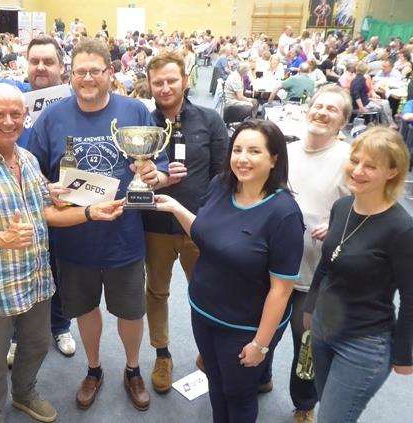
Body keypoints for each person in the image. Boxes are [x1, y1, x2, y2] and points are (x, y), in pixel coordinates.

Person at [0, 83, 124, 422]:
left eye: (16, 113)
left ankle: (25, 394)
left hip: (36, 280)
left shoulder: (27, 159)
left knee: (37, 345)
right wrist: (3, 239)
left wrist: (90, 213)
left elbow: (47, 211)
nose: (9, 121)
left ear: (25, 117)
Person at [27, 38, 170, 411]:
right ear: (71, 75)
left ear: (110, 72)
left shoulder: (135, 111)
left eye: (95, 71)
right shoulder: (52, 117)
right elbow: (31, 172)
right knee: (85, 309)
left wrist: (155, 173)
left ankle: (133, 369)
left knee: (130, 311)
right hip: (75, 239)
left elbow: (161, 163)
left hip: (124, 236)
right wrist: (49, 189)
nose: (87, 78)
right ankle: (93, 369)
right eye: (80, 72)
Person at [154, 119, 304, 423]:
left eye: (254, 151)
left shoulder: (284, 213)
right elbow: (205, 232)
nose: (242, 158)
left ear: (274, 158)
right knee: (216, 384)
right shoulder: (221, 184)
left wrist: (261, 345)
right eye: (237, 149)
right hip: (204, 312)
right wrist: (175, 208)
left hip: (244, 327)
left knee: (238, 394)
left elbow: (282, 289)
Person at [0, 34, 78, 359]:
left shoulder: (72, 101)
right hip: (5, 198)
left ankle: (59, 326)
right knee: (11, 274)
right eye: (34, 60)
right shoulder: (13, 93)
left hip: (52, 199)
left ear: (62, 67)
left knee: (52, 270)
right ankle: (16, 337)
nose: (40, 67)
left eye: (48, 61)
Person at [303, 127, 413, 422]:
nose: (357, 171)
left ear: (391, 172)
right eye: (355, 160)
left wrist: (404, 355)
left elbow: (411, 298)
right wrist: (311, 306)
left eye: (370, 166)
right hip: (324, 330)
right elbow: (326, 263)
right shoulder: (342, 207)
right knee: (328, 405)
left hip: (363, 345)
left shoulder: (402, 229)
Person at [144, 52, 228, 393]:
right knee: (156, 292)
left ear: (185, 81)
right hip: (154, 225)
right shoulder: (142, 124)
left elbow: (223, 176)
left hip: (198, 226)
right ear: (149, 85)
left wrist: (212, 222)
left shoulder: (210, 121)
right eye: (158, 82)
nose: (165, 87)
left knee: (206, 292)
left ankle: (207, 354)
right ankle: (162, 354)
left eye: (171, 80)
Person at [285, 84, 352, 423]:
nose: (323, 113)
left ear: (342, 123)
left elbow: (368, 210)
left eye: (333, 110)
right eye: (319, 105)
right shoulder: (287, 152)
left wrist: (337, 224)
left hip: (317, 277)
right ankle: (261, 377)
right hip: (276, 269)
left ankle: (304, 405)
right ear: (308, 108)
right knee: (260, 330)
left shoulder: (350, 160)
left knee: (307, 345)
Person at [350, 62, 396, 128]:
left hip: (365, 101)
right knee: (383, 106)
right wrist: (361, 107)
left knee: (385, 102)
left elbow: (361, 94)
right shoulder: (361, 79)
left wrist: (372, 99)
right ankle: (387, 124)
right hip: (362, 105)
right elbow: (356, 94)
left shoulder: (357, 78)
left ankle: (388, 124)